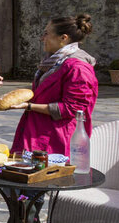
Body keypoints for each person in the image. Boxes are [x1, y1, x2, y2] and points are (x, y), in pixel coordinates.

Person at [8, 14, 98, 156]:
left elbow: (73, 109)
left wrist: (30, 106)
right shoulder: (54, 61)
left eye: (46, 34)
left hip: (56, 139)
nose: (42, 38)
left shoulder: (78, 68)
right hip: (37, 132)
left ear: (63, 38)